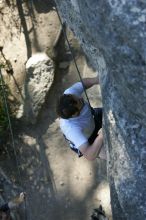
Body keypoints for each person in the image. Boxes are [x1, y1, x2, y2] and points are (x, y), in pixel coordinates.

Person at [56, 77, 106, 161]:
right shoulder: (72, 129)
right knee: (110, 155)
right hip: (89, 140)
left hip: (94, 119)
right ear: (75, 114)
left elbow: (84, 83)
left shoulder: (70, 95)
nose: (81, 98)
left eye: (77, 97)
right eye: (81, 102)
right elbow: (89, 155)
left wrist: (96, 80)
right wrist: (102, 135)